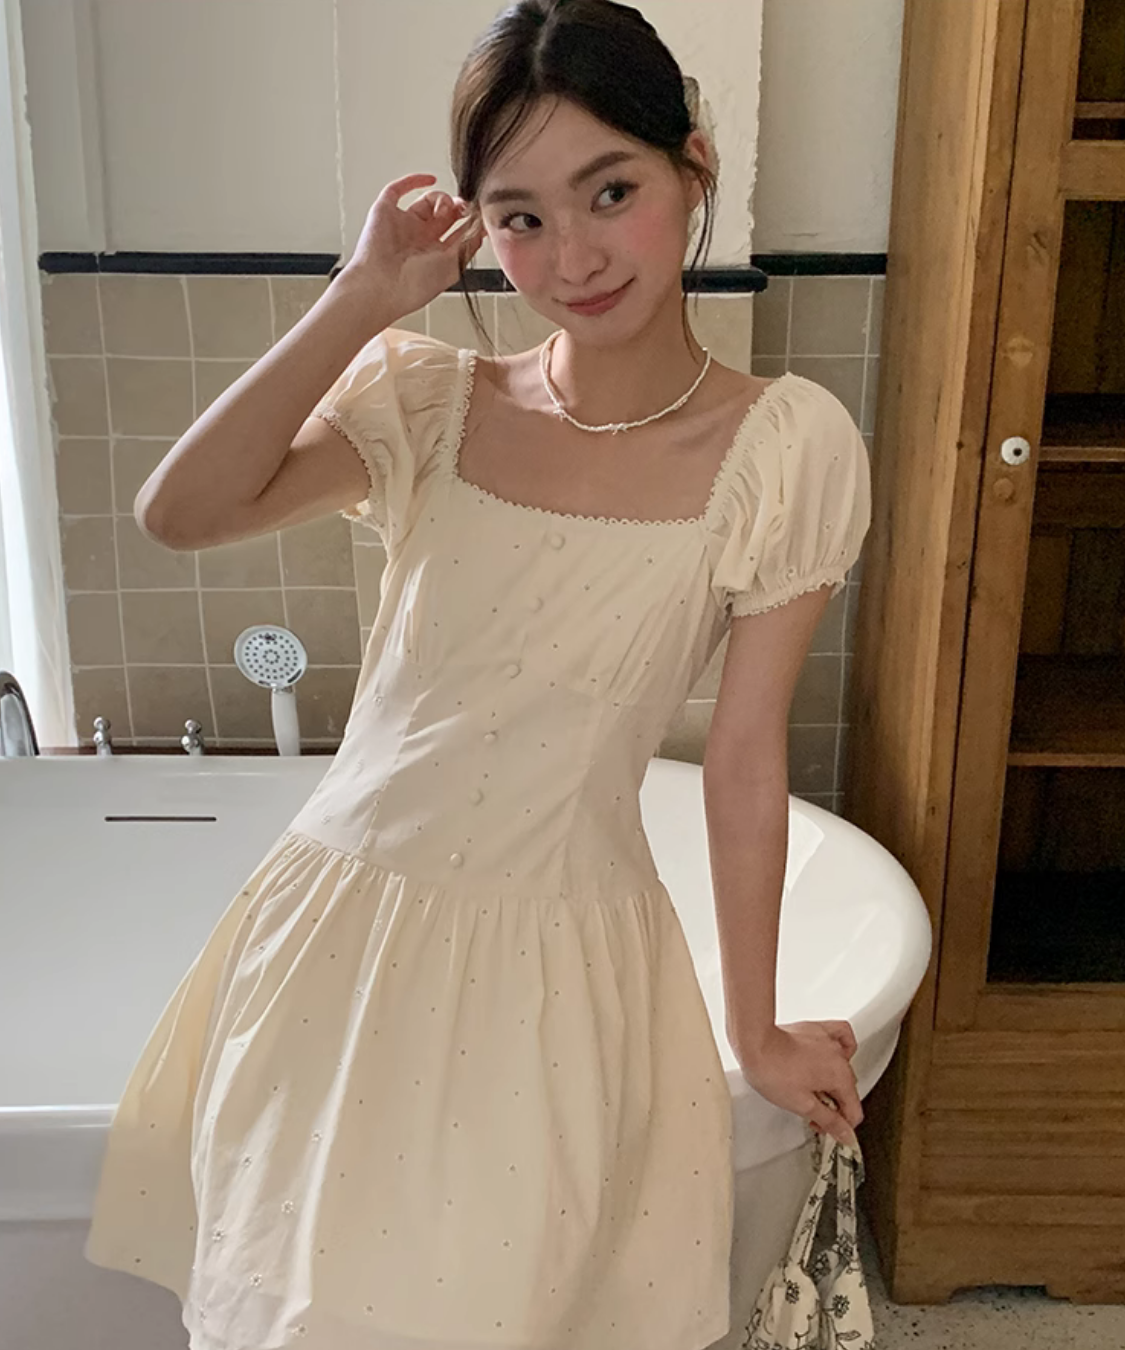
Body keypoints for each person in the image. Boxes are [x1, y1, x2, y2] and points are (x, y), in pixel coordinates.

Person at [83, 2, 872, 1347]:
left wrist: (756, 1029)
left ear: (693, 167)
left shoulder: (783, 449)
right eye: (519, 218)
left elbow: (743, 762)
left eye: (610, 192)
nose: (572, 256)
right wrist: (360, 296)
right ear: (476, 228)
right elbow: (180, 511)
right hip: (339, 940)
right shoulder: (433, 401)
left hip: (561, 966)